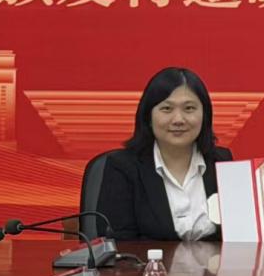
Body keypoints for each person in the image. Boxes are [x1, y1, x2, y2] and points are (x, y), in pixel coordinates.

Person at [96, 67, 232, 241]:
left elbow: (238, 233)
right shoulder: (123, 167)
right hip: (146, 260)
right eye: (167, 109)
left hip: (215, 260)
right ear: (148, 117)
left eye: (189, 108)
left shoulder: (222, 162)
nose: (178, 120)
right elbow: (118, 242)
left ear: (205, 115)